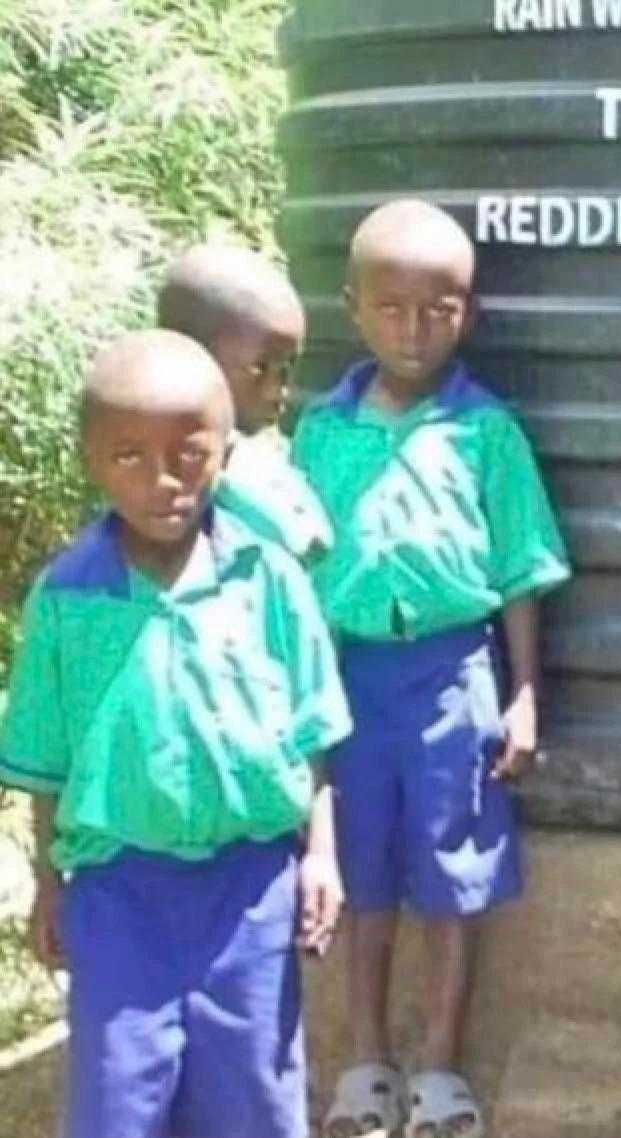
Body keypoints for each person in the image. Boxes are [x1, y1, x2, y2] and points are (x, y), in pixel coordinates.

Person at [0, 330, 351, 1138]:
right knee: (118, 1100)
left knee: (253, 1100)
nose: (164, 482)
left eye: (188, 455)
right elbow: (47, 762)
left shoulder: (269, 580)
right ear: (92, 462)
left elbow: (312, 732)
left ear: (224, 452)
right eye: (129, 458)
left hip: (251, 890)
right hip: (121, 893)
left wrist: (321, 856)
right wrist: (50, 883)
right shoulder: (67, 602)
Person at [293, 199, 571, 1138]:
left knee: (454, 878)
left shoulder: (485, 431)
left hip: (457, 677)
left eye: (439, 310)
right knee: (363, 876)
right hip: (347, 683)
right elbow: (290, 583)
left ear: (470, 314)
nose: (415, 331)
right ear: (353, 310)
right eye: (392, 309)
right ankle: (366, 1063)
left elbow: (521, 569)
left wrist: (524, 693)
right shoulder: (320, 435)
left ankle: (441, 1071)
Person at [158, 243, 331, 565]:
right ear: (194, 354)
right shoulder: (164, 491)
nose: (277, 391)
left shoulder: (259, 457)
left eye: (287, 368)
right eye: (260, 368)